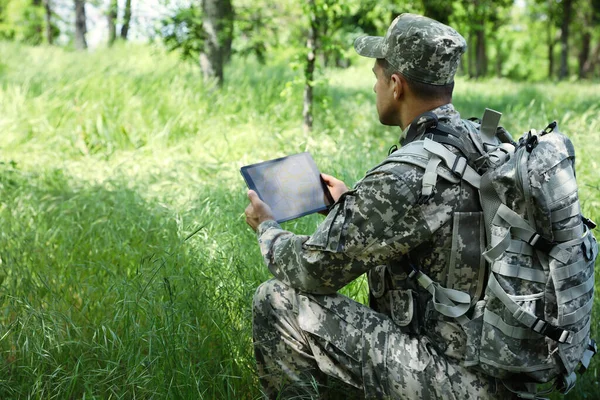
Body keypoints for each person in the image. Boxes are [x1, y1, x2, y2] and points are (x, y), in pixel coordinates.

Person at [244, 13, 513, 399]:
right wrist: (349, 206)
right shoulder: (484, 143)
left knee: (277, 300)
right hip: (501, 371)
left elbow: (312, 270)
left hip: (456, 382)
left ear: (396, 85)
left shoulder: (408, 174)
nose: (374, 88)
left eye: (376, 77)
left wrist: (267, 228)